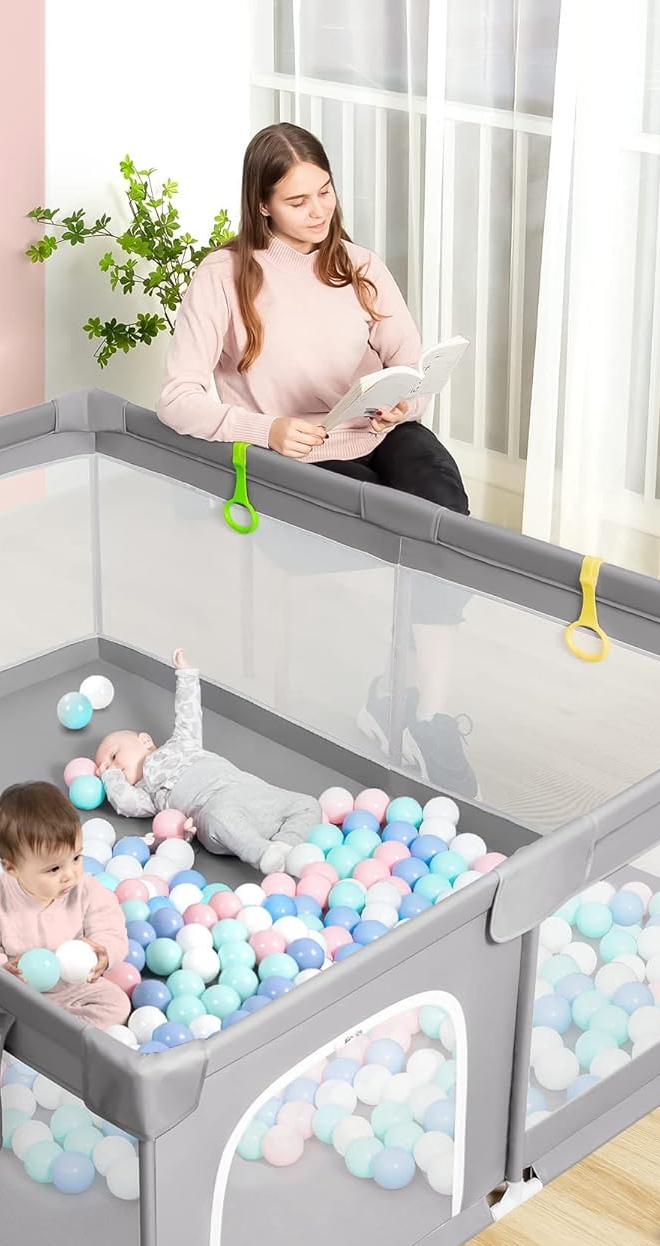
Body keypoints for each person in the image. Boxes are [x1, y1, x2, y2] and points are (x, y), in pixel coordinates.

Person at [157, 121, 477, 799]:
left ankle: (429, 714)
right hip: (293, 452)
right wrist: (265, 429)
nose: (319, 210)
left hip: (373, 430)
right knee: (386, 522)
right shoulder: (226, 276)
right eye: (299, 200)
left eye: (325, 192)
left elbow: (407, 364)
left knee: (446, 509)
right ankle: (382, 702)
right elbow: (176, 398)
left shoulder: (360, 267)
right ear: (263, 203)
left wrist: (403, 404)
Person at [96, 648, 322, 875]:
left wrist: (186, 675)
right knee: (218, 818)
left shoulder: (182, 743)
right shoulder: (148, 792)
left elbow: (188, 713)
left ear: (144, 740)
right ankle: (264, 853)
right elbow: (125, 803)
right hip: (214, 810)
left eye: (114, 756)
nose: (112, 766)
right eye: (106, 766)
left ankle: (284, 846)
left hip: (249, 790)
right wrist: (111, 777)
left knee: (307, 804)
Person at [0, 781, 130, 1026]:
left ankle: (61, 1031)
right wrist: (2, 969)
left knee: (117, 1004)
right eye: (54, 868)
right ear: (11, 868)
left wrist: (103, 951)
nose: (70, 874)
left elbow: (110, 927)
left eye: (77, 857)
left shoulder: (87, 890)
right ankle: (45, 1029)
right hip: (20, 992)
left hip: (74, 987)